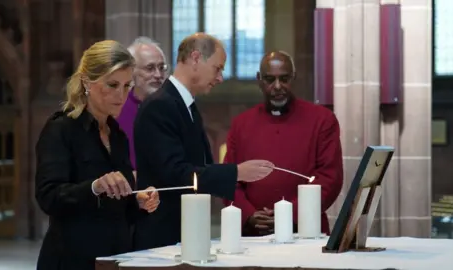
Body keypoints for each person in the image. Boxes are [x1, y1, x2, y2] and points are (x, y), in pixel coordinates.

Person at [132, 33, 275, 250]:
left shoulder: (185, 105)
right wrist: (236, 172)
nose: (220, 78)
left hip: (187, 230)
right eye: (217, 68)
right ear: (196, 58)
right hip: (162, 235)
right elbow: (174, 174)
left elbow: (202, 167)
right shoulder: (159, 106)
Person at [34, 40, 160, 270]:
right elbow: (48, 197)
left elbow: (118, 212)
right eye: (112, 85)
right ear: (86, 82)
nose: (121, 95)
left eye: (126, 86)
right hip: (71, 260)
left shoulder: (118, 136)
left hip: (114, 259)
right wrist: (95, 187)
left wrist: (138, 201)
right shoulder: (61, 129)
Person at [223, 51, 343, 236]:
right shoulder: (241, 124)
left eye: (284, 79)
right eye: (270, 79)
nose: (277, 86)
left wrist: (290, 214)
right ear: (259, 79)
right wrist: (248, 214)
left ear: (293, 78)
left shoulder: (322, 120)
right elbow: (230, 178)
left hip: (305, 229)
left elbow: (329, 178)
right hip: (254, 232)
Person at [116, 37, 168, 169]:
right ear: (132, 71)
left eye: (162, 68)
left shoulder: (174, 107)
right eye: (150, 68)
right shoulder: (117, 108)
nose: (158, 75)